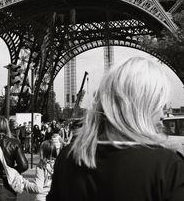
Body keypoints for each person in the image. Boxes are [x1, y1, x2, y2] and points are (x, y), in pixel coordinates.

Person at [47, 57, 184, 201]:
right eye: (159, 105)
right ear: (143, 106)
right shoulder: (168, 167)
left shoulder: (67, 158)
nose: (162, 114)